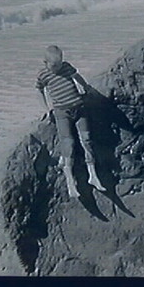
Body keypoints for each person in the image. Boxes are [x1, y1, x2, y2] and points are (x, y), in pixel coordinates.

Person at [36, 45, 106, 198]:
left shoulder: (66, 67)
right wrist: (46, 108)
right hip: (62, 112)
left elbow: (77, 76)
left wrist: (86, 87)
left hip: (78, 107)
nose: (58, 67)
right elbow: (39, 90)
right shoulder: (43, 75)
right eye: (54, 65)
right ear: (45, 63)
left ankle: (92, 175)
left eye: (60, 63)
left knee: (86, 139)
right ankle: (70, 180)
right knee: (68, 143)